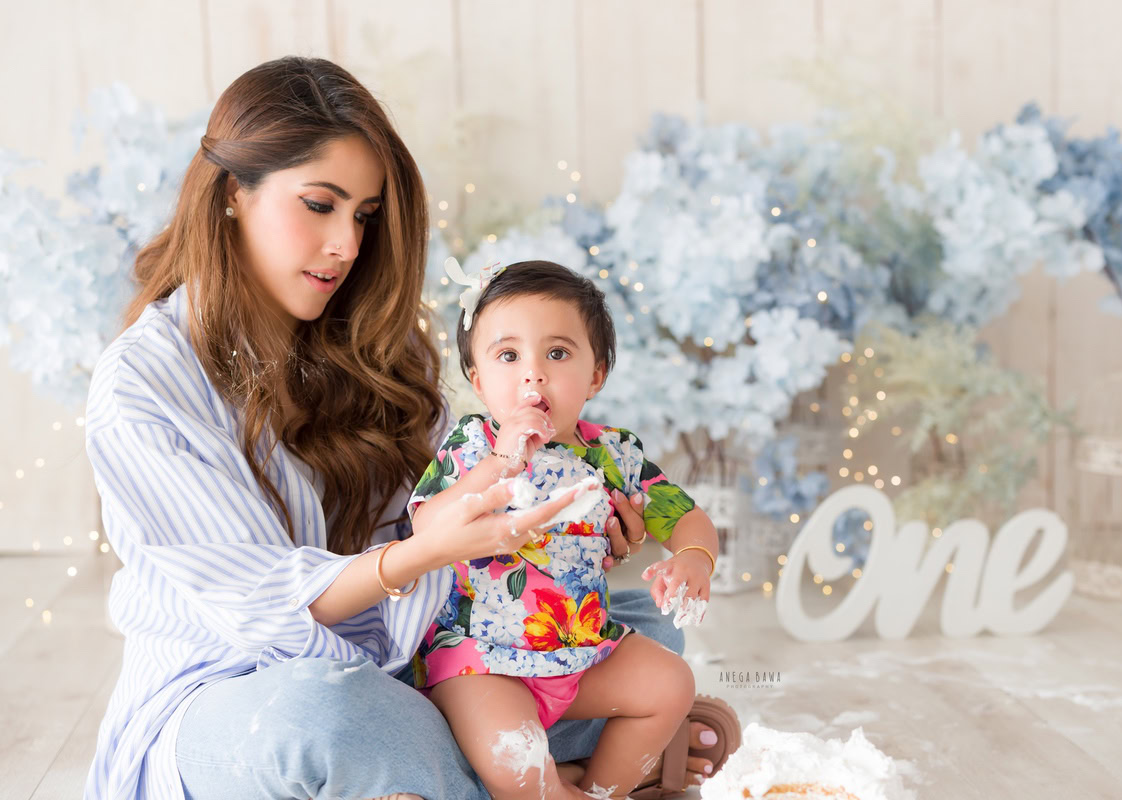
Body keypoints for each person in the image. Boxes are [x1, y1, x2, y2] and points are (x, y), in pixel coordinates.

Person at [82, 56, 734, 800]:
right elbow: (262, 604)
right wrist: (419, 556)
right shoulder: (142, 382)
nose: (347, 245)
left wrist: (559, 541)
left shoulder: (371, 348)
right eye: (320, 205)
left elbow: (447, 542)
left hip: (406, 658)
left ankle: (502, 773)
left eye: (363, 215)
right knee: (322, 717)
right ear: (235, 193)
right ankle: (564, 773)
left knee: (643, 622)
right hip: (236, 692)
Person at [407, 260, 723, 799]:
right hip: (481, 662)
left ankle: (603, 790)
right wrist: (500, 465)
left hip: (583, 650)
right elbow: (427, 525)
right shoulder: (472, 446)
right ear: (479, 380)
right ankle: (552, 790)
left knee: (672, 682)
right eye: (508, 356)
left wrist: (694, 557)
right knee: (517, 757)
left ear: (595, 374)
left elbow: (688, 517)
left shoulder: (615, 453)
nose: (533, 374)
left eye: (557, 353)